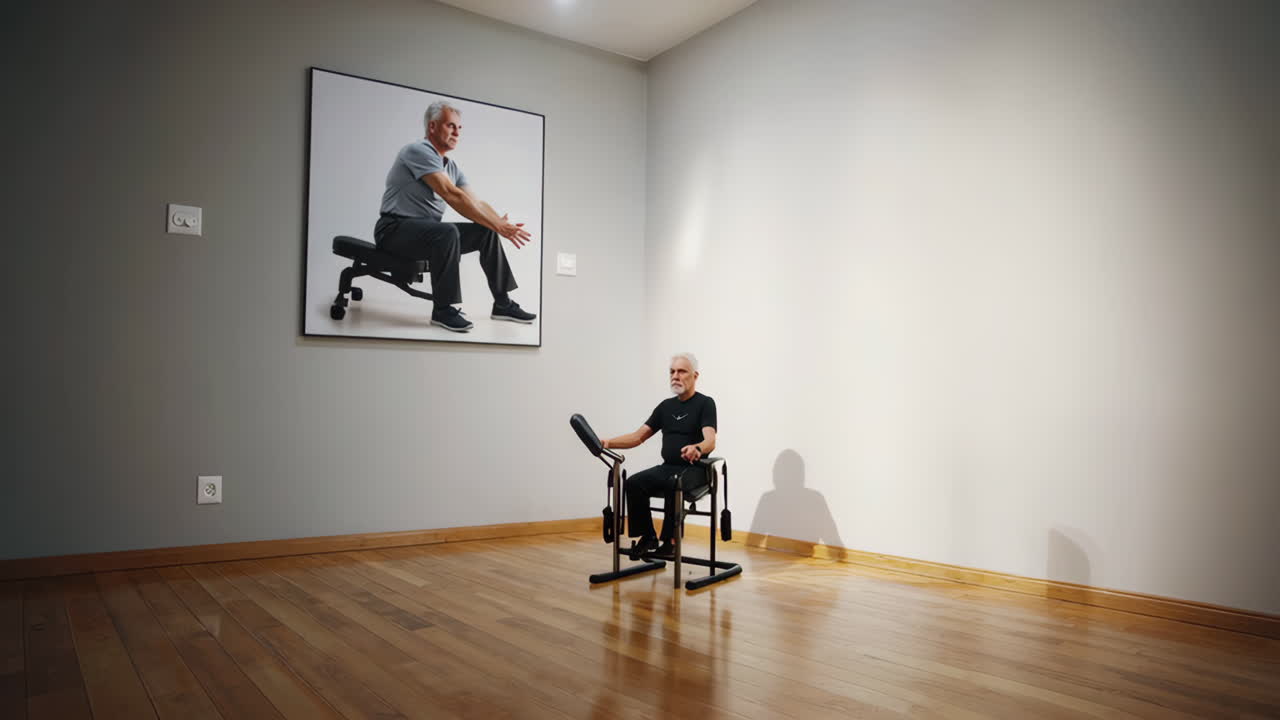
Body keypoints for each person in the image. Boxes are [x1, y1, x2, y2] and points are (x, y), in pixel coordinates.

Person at [374, 100, 536, 332]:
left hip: (425, 233)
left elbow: (476, 202)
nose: (457, 132)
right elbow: (451, 194)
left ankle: (502, 303)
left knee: (485, 231)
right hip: (393, 230)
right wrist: (498, 225)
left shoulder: (451, 167)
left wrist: (497, 223)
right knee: (447, 232)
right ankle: (442, 310)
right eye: (450, 126)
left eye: (459, 128)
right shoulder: (418, 151)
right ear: (432, 126)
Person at [602, 353, 718, 559]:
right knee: (634, 483)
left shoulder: (705, 403)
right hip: (668, 467)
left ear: (695, 376)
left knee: (674, 482)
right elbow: (637, 437)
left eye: (681, 371)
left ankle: (670, 542)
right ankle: (648, 537)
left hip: (696, 469)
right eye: (672, 372)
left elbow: (710, 440)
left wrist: (697, 448)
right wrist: (607, 443)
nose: (675, 376)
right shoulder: (666, 407)